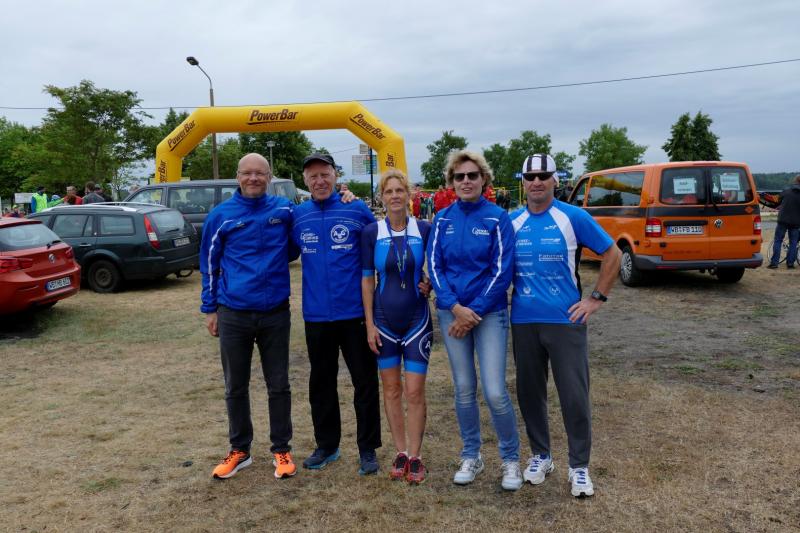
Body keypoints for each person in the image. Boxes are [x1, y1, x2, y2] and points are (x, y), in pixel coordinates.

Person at [509, 153, 621, 498]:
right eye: (530, 177)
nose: (537, 182)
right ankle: (541, 456)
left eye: (543, 176)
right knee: (530, 393)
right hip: (523, 320)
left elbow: (613, 253)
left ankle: (579, 466)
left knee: (573, 394)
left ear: (555, 180)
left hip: (565, 320)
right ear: (523, 182)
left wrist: (595, 299)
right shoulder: (511, 221)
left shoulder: (573, 216)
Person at [200, 153, 299, 481]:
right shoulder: (220, 215)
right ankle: (239, 450)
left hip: (275, 312)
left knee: (279, 384)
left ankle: (281, 449)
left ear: (269, 177)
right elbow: (209, 264)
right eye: (247, 173)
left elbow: (298, 243)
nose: (253, 178)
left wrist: (346, 197)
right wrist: (210, 308)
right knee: (235, 386)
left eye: (260, 173)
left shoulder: (284, 210)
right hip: (233, 313)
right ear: (237, 176)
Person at [427, 150, 522, 491]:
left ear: (484, 179)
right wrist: (455, 308)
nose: (466, 181)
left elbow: (502, 270)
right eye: (459, 176)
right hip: (452, 313)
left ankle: (511, 460)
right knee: (464, 389)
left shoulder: (498, 218)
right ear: (451, 183)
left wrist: (474, 311)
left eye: (472, 175)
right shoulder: (442, 219)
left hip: (489, 313)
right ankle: (471, 455)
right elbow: (434, 267)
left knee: (495, 391)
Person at [291, 152, 382, 475]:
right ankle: (327, 446)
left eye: (325, 174)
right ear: (305, 181)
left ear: (335, 176)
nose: (319, 181)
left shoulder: (356, 209)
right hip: (316, 316)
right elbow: (284, 250)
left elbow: (381, 249)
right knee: (321, 384)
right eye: (313, 176)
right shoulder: (298, 216)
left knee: (365, 383)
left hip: (355, 314)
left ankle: (368, 449)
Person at [361, 169, 432, 484]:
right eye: (388, 191)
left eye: (399, 190)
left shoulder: (425, 229)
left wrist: (430, 283)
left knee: (414, 391)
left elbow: (437, 268)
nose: (394, 196)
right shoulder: (371, 232)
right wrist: (369, 325)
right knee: (391, 389)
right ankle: (401, 451)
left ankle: (416, 456)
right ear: (382, 197)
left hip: (417, 320)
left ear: (408, 195)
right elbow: (367, 280)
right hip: (384, 322)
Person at [767, 174, 800, 269]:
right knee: (794, 242)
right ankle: (790, 264)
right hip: (796, 222)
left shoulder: (786, 191)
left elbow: (776, 201)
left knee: (778, 240)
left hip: (783, 220)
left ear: (795, 181)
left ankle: (774, 263)